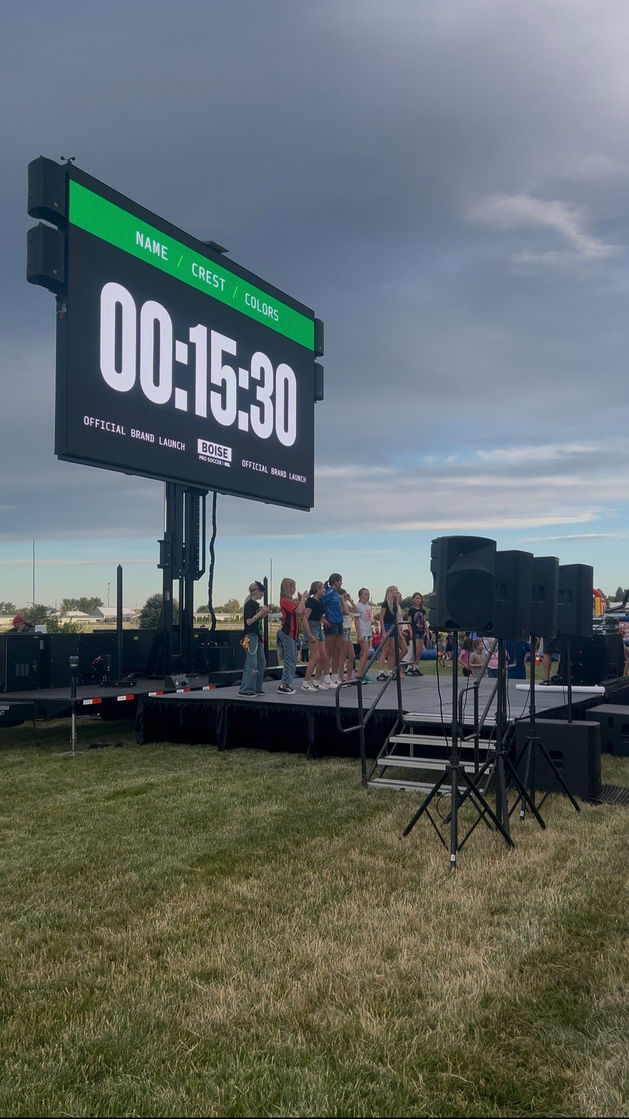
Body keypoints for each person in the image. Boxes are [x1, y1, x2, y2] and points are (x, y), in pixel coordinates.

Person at [239, 581, 270, 696]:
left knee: (262, 662)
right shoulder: (249, 605)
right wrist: (260, 613)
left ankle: (257, 687)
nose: (262, 595)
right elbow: (249, 621)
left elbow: (257, 621)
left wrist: (264, 613)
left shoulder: (256, 605)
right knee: (251, 664)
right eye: (262, 592)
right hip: (250, 636)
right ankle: (246, 689)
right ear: (257, 592)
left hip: (256, 636)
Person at [277, 578, 306, 694]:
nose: (294, 589)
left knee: (293, 659)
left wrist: (300, 601)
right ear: (288, 588)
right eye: (293, 587)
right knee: (289, 659)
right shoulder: (284, 601)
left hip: (293, 634)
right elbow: (298, 612)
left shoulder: (292, 601)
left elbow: (303, 612)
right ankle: (284, 684)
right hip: (287, 633)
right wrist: (303, 598)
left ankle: (287, 683)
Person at [299, 581, 327, 690]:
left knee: (323, 656)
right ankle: (305, 683)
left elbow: (318, 615)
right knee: (315, 656)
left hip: (318, 627)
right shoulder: (310, 601)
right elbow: (305, 619)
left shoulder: (320, 602)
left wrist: (323, 620)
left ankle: (316, 680)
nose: (324, 590)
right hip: (312, 627)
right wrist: (309, 635)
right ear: (317, 589)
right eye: (323, 588)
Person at [376, 586, 407, 679]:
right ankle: (380, 672)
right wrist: (384, 631)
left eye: (397, 589)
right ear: (390, 592)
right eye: (395, 590)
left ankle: (390, 671)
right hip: (387, 625)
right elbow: (381, 618)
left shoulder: (395, 604)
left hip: (394, 627)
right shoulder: (386, 603)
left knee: (393, 650)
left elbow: (397, 618)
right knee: (385, 650)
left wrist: (398, 632)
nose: (397, 591)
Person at [321, 573, 344, 686]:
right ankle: (326, 677)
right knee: (328, 651)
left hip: (339, 623)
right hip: (331, 623)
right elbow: (318, 603)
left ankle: (335, 676)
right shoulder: (328, 593)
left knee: (337, 651)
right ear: (335, 582)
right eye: (340, 581)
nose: (341, 583)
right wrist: (322, 618)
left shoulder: (336, 594)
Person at [405, 592, 429, 676]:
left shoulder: (423, 610)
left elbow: (424, 623)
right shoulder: (411, 610)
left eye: (420, 598)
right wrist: (410, 631)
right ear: (413, 599)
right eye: (417, 598)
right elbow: (409, 622)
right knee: (416, 650)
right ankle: (409, 667)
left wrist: (427, 633)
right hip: (415, 631)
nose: (418, 600)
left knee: (420, 651)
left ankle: (415, 666)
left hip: (421, 631)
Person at [354, 587, 374, 683]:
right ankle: (358, 675)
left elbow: (368, 620)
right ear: (360, 596)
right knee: (365, 653)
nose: (367, 596)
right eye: (365, 594)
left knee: (364, 654)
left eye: (368, 594)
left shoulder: (368, 607)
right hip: (363, 633)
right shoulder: (358, 606)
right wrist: (359, 635)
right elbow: (356, 621)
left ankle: (362, 673)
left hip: (368, 632)